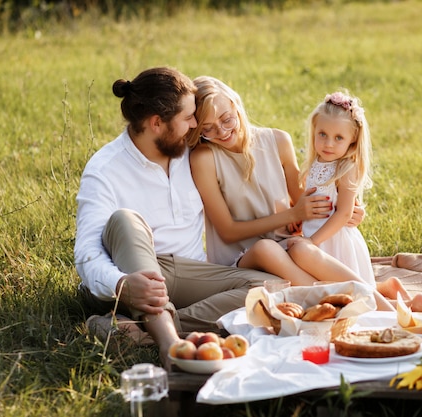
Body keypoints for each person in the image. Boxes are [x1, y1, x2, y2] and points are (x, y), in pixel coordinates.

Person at [74, 67, 280, 367]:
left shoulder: (194, 150)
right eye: (188, 118)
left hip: (187, 274)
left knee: (271, 290)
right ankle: (170, 346)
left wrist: (332, 198)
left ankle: (138, 332)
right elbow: (86, 254)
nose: (196, 124)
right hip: (130, 272)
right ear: (157, 123)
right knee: (125, 220)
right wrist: (122, 284)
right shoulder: (105, 169)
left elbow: (251, 160)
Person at [186, 76, 395, 311]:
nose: (222, 131)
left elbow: (306, 201)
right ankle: (341, 306)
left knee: (304, 249)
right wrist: (290, 215)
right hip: (240, 258)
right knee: (267, 248)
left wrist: (346, 210)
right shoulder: (204, 158)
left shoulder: (277, 141)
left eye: (227, 119)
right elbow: (227, 230)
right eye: (208, 129)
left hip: (286, 247)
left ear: (236, 104)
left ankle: (378, 302)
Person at [299, 90, 422, 311]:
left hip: (333, 239)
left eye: (338, 138)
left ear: (352, 140)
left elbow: (344, 213)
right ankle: (386, 287)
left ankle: (404, 306)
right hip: (313, 238)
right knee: (333, 295)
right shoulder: (314, 163)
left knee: (354, 298)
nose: (328, 143)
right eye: (322, 134)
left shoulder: (345, 168)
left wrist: (313, 242)